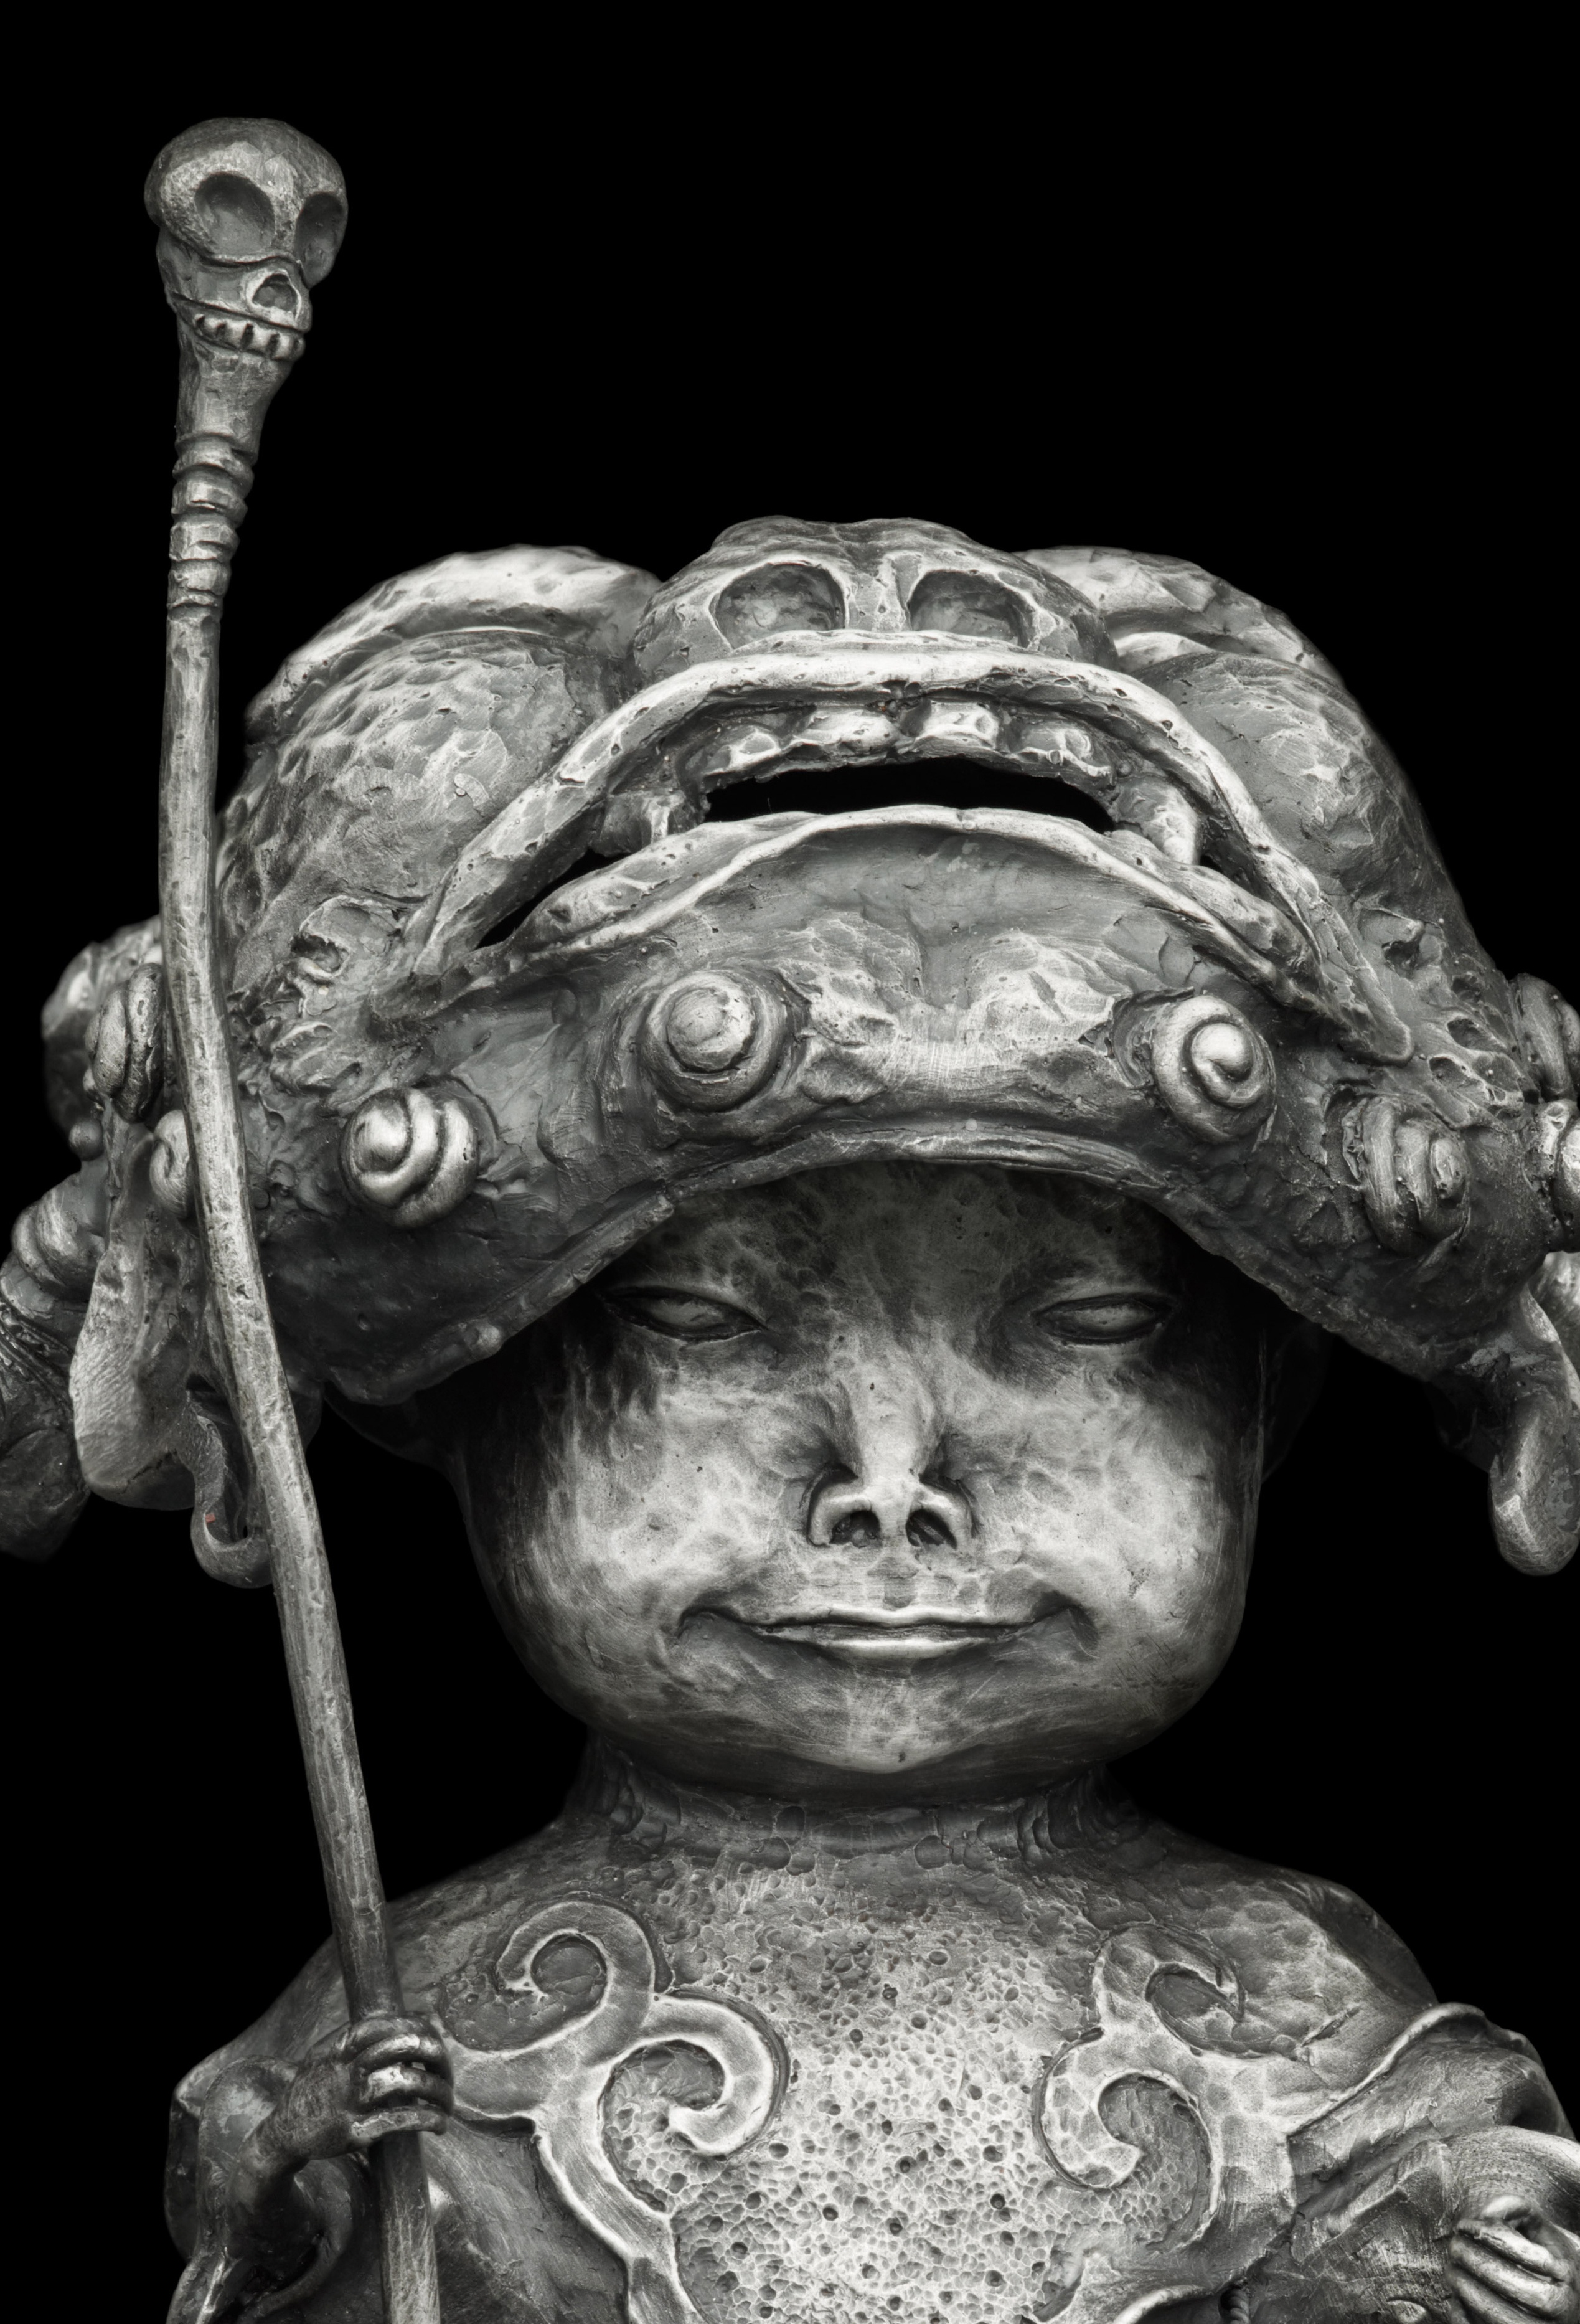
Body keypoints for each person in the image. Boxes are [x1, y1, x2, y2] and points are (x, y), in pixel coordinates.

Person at [4, 521, 1576, 2320]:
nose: (890, 1481)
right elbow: (276, 2239)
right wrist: (292, 2187)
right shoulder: (419, 2021)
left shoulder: (1298, 1995)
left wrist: (1416, 2254)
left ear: (1264, 1391)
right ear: (455, 1389)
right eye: (702, 1323)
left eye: (1082, 1327)